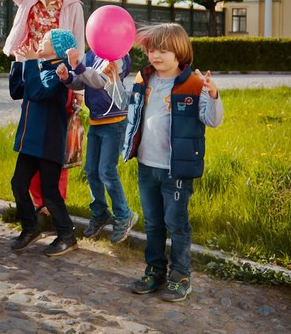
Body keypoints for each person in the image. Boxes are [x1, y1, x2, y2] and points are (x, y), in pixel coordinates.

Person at [0, 0, 85, 220]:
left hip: (59, 74)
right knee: (32, 136)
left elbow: (78, 45)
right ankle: (38, 202)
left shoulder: (73, 7)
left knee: (55, 140)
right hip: (31, 70)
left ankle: (53, 203)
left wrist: (77, 89)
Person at [122, 23, 222, 302]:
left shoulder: (194, 83)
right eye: (152, 49)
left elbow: (212, 120)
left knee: (176, 223)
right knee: (153, 223)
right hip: (146, 165)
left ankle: (181, 277)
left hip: (175, 169)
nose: (155, 55)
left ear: (179, 51)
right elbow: (130, 111)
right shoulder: (143, 79)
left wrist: (212, 94)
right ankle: (155, 271)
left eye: (163, 50)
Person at [8, 29, 79, 257]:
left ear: (58, 49)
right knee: (18, 184)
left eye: (46, 40)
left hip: (48, 141)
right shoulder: (38, 67)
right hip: (30, 141)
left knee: (50, 192)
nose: (40, 42)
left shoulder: (60, 70)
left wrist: (30, 62)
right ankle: (30, 228)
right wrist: (20, 63)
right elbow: (16, 91)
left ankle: (67, 235)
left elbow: (40, 92)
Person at [56, 47, 137, 243]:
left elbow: (99, 80)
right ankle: (100, 212)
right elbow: (82, 80)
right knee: (91, 170)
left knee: (106, 171)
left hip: (115, 121)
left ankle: (124, 214)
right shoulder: (92, 54)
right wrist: (68, 77)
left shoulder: (119, 56)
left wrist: (77, 65)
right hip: (96, 122)